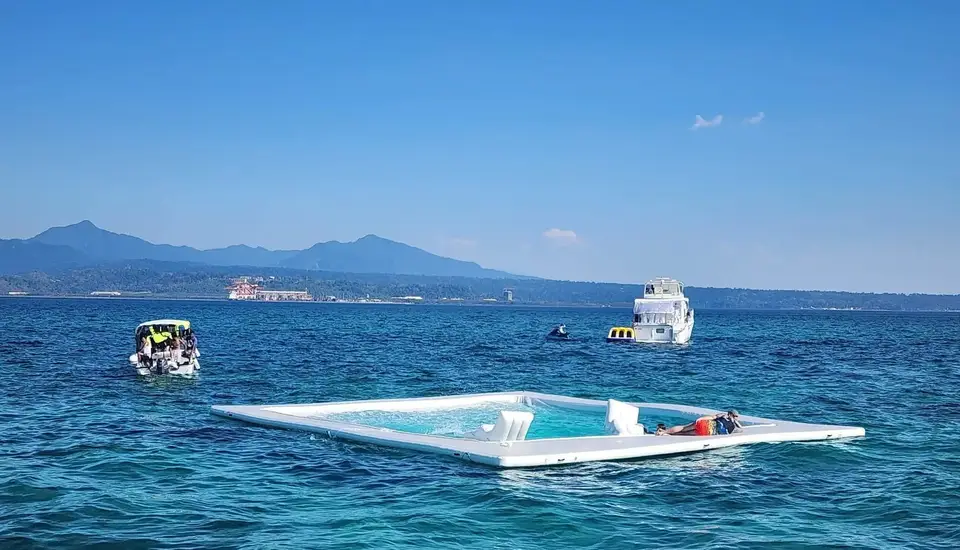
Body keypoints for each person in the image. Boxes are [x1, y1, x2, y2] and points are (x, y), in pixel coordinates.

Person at [658, 410, 742, 436]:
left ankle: (664, 431)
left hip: (704, 424)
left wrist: (701, 418)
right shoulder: (733, 427)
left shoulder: (724, 415)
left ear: (729, 413)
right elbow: (740, 429)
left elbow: (712, 417)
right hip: (708, 432)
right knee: (685, 433)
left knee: (684, 428)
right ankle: (669, 434)